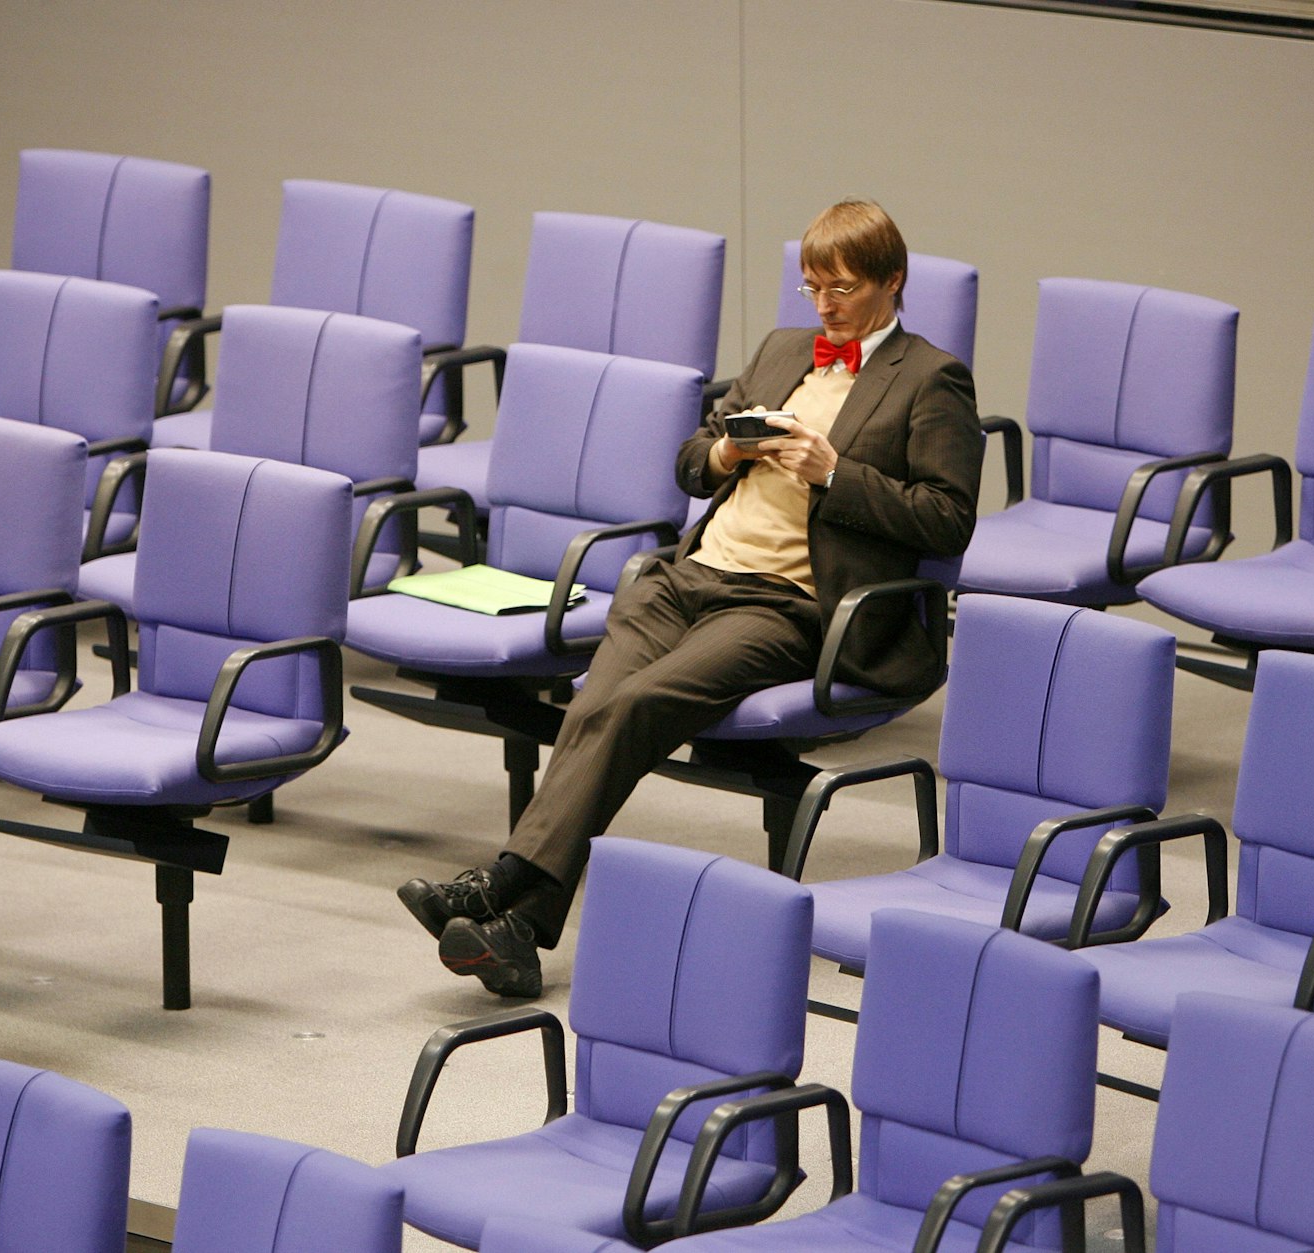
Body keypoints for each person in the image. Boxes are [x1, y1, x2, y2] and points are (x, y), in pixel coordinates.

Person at [398, 198, 980, 996]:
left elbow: (948, 521)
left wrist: (834, 474)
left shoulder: (931, 378)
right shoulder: (783, 349)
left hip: (785, 602)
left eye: (841, 288)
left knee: (638, 702)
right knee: (594, 699)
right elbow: (689, 459)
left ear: (892, 280)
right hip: (687, 577)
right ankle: (518, 928)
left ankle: (501, 885)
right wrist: (725, 454)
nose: (825, 305)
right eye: (813, 287)